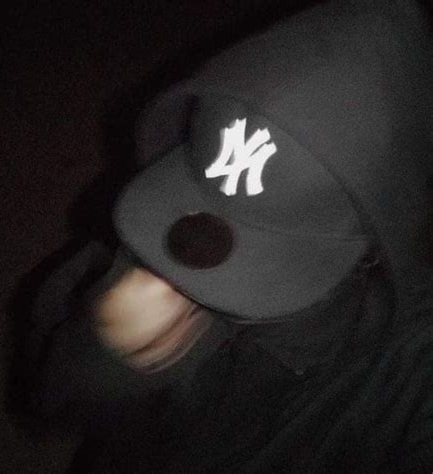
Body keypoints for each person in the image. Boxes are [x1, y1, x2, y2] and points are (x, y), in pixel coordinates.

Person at [26, 0, 433, 472]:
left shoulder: (410, 368)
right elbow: (50, 402)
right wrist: (109, 345)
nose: (184, 273)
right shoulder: (148, 250)